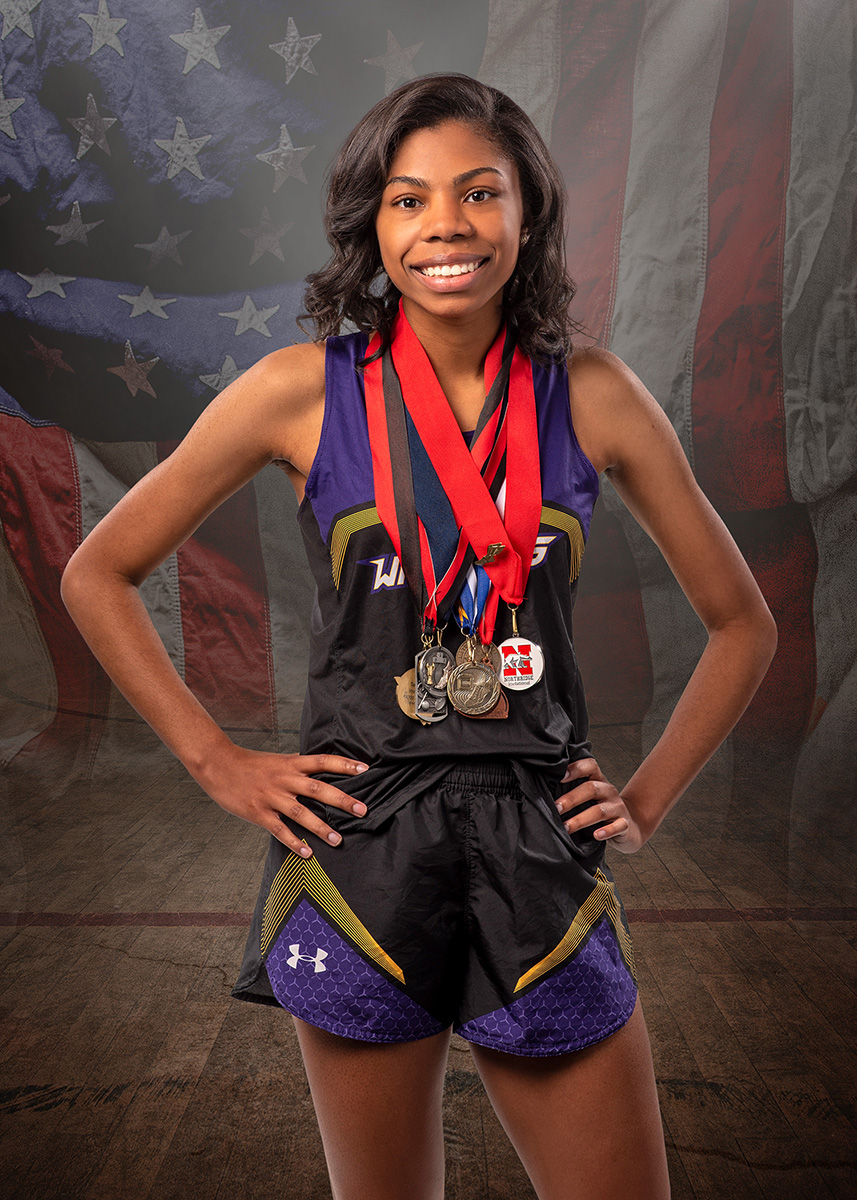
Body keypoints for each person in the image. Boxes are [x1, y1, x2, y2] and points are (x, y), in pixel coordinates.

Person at [62, 74, 777, 1200]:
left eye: (477, 192)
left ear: (526, 212)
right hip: (361, 838)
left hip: (537, 832)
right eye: (407, 200)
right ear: (371, 224)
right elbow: (96, 570)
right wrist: (219, 761)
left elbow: (743, 624)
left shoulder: (589, 394)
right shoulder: (296, 391)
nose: (444, 224)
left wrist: (642, 798)